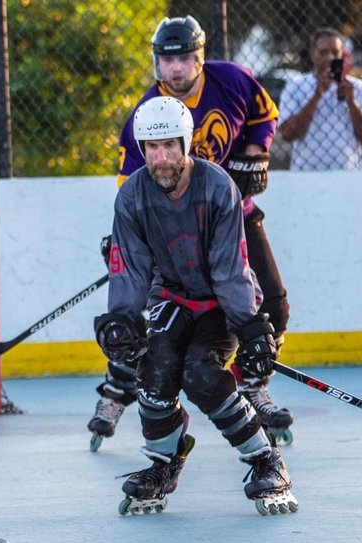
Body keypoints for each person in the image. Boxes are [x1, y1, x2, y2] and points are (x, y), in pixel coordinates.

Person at [89, 15, 293, 448]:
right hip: (173, 229)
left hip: (232, 213)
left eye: (184, 57)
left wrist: (256, 151)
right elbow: (131, 185)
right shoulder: (146, 113)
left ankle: (253, 385)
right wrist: (128, 235)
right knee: (146, 312)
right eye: (167, 60)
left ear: (200, 56)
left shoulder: (232, 80)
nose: (176, 68)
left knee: (271, 302)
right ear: (156, 62)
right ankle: (117, 388)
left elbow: (264, 116)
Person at [97, 96, 296, 515]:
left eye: (170, 145)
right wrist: (121, 319)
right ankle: (163, 464)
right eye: (152, 148)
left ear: (186, 144)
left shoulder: (217, 186)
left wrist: (249, 326)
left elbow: (229, 268)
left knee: (202, 374)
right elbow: (130, 268)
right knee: (154, 372)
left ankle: (266, 460)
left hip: (221, 303)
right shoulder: (131, 196)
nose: (161, 158)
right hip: (171, 297)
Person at [278, 28, 362, 171]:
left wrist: (352, 103)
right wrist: (317, 96)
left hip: (349, 174)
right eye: (323, 52)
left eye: (335, 52)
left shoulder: (357, 87)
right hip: (307, 173)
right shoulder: (296, 86)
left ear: (342, 54)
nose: (330, 58)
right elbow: (287, 134)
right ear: (312, 54)